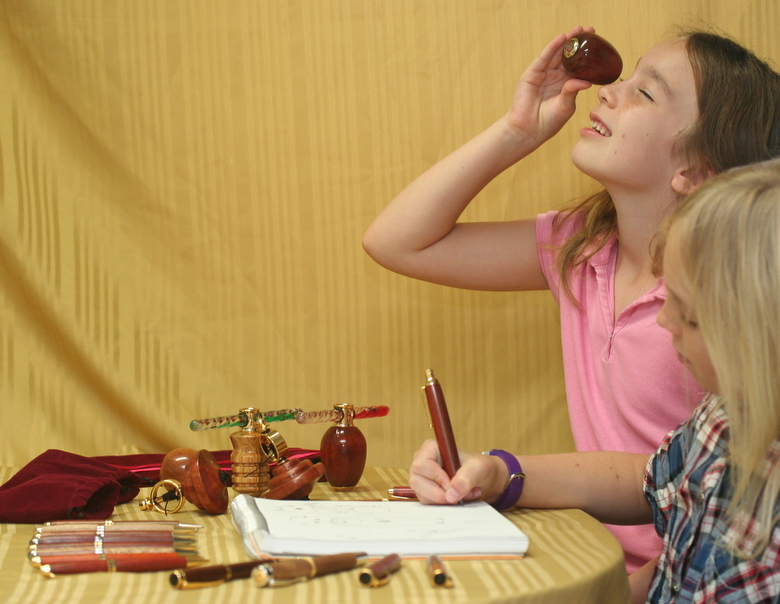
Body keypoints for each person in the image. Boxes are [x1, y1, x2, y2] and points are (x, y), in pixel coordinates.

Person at [362, 25, 780, 573]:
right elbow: (394, 241)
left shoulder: (725, 302)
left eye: (646, 93)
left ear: (696, 170)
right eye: (625, 79)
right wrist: (517, 131)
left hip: (684, 569)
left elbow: (713, 498)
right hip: (584, 556)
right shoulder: (580, 246)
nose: (608, 91)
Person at [408, 158, 780, 603]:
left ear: (760, 330)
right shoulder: (720, 418)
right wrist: (500, 471)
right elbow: (654, 494)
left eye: (687, 311)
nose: (665, 319)